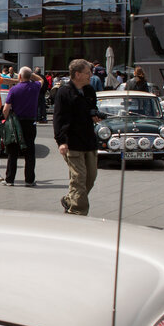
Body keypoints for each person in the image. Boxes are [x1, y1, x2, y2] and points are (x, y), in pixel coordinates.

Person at [53, 59, 100, 215]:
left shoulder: (90, 90)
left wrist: (95, 115)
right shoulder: (64, 92)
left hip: (89, 141)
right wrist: (61, 142)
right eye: (88, 73)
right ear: (77, 74)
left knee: (90, 178)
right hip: (72, 143)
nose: (91, 76)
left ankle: (69, 199)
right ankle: (78, 212)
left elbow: (93, 108)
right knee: (78, 178)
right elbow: (59, 118)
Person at [3, 67, 42, 186]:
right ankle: (29, 180)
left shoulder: (14, 89)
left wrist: (6, 119)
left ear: (19, 76)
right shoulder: (35, 87)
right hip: (30, 122)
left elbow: (6, 108)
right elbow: (41, 79)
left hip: (16, 123)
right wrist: (31, 75)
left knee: (13, 152)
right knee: (30, 152)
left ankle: (10, 179)